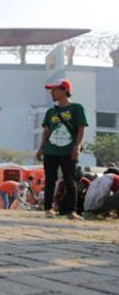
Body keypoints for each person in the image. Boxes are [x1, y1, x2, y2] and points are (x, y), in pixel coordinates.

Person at [35, 78, 87, 220]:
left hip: (68, 150)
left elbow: (81, 129)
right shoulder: (50, 112)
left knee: (70, 180)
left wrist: (77, 146)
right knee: (50, 180)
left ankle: (72, 211)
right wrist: (40, 149)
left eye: (55, 89)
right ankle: (48, 209)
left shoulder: (77, 108)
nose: (52, 92)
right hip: (50, 151)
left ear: (65, 90)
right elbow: (46, 131)